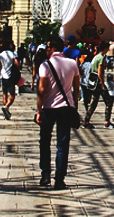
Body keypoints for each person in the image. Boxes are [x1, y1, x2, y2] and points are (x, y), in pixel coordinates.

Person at [36, 37, 81, 190]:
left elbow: (42, 90)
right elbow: (76, 88)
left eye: (48, 47)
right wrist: (73, 104)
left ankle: (45, 174)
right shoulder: (73, 64)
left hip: (48, 108)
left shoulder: (45, 65)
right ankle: (60, 178)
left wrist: (38, 110)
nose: (47, 50)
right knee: (63, 143)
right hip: (66, 108)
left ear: (53, 48)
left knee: (45, 141)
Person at [83, 41, 114, 128]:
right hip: (98, 83)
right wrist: (103, 84)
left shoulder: (96, 57)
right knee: (109, 101)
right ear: (105, 49)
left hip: (93, 82)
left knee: (93, 102)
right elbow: (100, 72)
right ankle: (107, 121)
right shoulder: (101, 58)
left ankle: (86, 121)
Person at [0, 41, 20, 119]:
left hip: (3, 76)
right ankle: (6, 107)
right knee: (12, 95)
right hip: (10, 77)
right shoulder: (13, 54)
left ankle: (6, 110)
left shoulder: (0, 55)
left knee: (4, 94)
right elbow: (17, 64)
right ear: (9, 45)